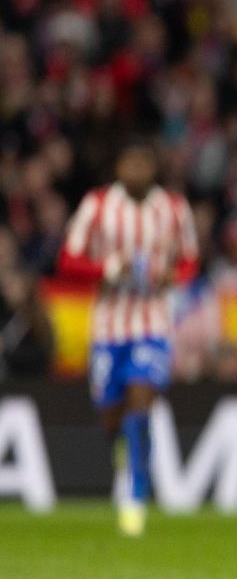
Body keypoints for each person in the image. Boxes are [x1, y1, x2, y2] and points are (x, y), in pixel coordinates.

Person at [56, 140, 201, 537]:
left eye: (143, 163)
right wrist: (107, 270)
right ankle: (125, 458)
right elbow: (68, 259)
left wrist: (174, 276)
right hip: (108, 324)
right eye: (130, 162)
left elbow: (190, 259)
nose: (137, 170)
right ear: (119, 166)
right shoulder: (98, 205)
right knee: (110, 415)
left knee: (141, 395)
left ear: (154, 168)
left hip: (152, 321)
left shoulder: (173, 207)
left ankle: (136, 492)